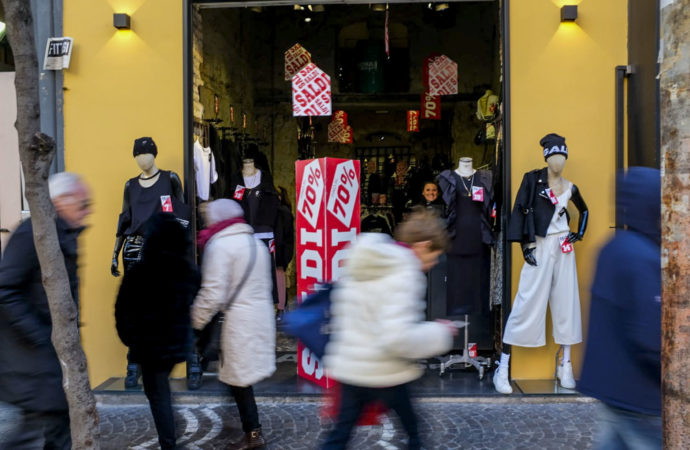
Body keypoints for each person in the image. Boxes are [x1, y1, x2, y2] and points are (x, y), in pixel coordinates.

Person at [322, 209, 457, 450]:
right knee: (414, 432)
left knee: (339, 436)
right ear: (424, 245)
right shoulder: (405, 272)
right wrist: (440, 333)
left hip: (351, 367)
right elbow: (398, 337)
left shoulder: (367, 260)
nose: (435, 262)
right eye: (435, 255)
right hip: (385, 371)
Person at [0, 172, 92, 450]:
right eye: (83, 204)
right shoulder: (34, 234)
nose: (87, 212)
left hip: (48, 361)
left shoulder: (63, 234)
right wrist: (44, 335)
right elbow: (5, 291)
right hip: (32, 362)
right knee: (35, 434)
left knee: (58, 432)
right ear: (61, 201)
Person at [578, 167, 662, 449]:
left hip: (610, 384)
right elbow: (648, 335)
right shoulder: (644, 258)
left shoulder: (613, 247)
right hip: (638, 392)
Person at [191, 199, 276, 450]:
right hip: (259, 319)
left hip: (238, 321)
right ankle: (245, 424)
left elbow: (213, 293)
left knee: (239, 379)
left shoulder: (220, 245)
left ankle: (253, 433)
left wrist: (194, 321)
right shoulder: (256, 243)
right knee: (237, 377)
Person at [115, 213, 200, 450]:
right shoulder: (187, 271)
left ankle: (168, 442)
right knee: (160, 392)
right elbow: (197, 305)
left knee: (158, 395)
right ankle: (169, 438)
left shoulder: (140, 272)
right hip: (174, 346)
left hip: (148, 347)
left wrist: (131, 340)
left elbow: (122, 312)